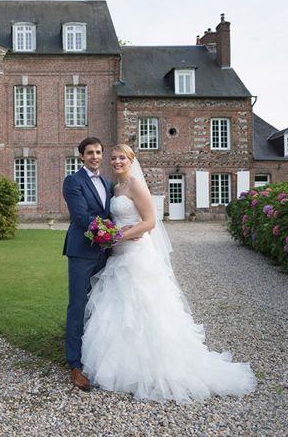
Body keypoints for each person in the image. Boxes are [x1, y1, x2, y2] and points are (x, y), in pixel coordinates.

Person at [81, 144, 257, 403]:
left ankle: (155, 368)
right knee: (119, 309)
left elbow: (150, 222)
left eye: (122, 158)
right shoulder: (115, 188)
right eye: (114, 158)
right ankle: (123, 365)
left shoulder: (136, 185)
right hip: (118, 255)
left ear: (131, 160)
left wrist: (118, 235)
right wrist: (111, 235)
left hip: (136, 255)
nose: (117, 161)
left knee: (144, 308)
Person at [62, 136, 113, 391]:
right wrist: (110, 235)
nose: (95, 156)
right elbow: (82, 216)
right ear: (81, 156)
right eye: (90, 152)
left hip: (105, 254)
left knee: (101, 304)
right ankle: (74, 363)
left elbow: (109, 213)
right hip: (82, 251)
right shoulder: (73, 181)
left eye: (98, 152)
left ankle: (95, 354)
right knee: (78, 305)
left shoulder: (107, 182)